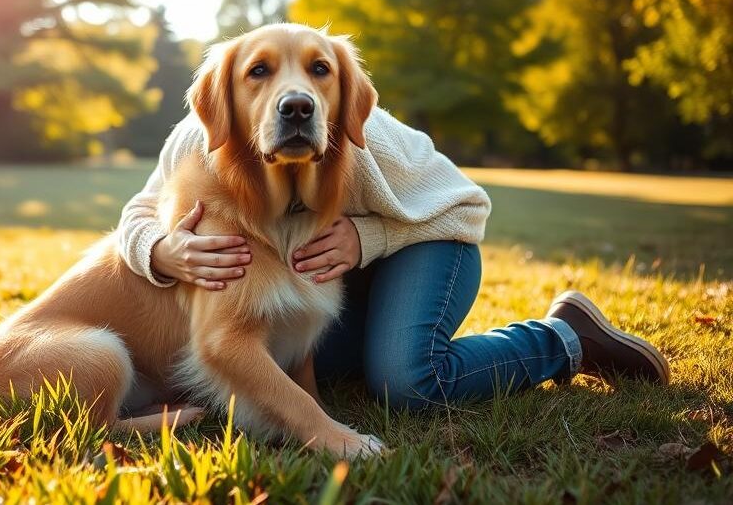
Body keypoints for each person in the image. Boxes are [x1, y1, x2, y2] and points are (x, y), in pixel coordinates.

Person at [118, 108, 669, 411]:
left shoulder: (372, 142)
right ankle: (385, 340)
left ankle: (564, 338)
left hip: (427, 246)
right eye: (258, 75)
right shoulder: (198, 135)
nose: (291, 102)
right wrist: (161, 250)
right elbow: (139, 211)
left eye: (317, 74)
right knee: (299, 364)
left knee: (407, 382)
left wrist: (367, 237)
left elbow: (469, 208)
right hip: (332, 280)